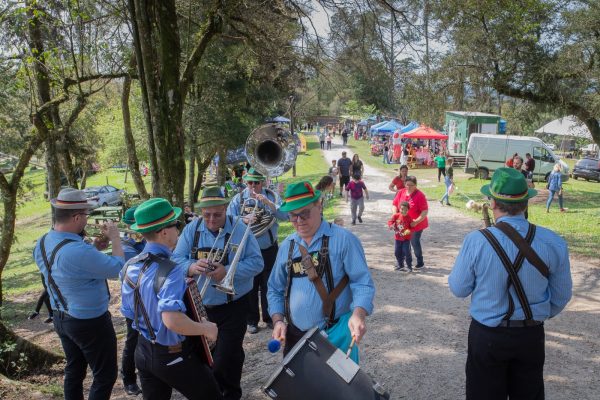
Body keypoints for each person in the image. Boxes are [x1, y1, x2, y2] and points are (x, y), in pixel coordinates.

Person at [448, 167, 572, 400]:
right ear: (526, 204)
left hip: (487, 335)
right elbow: (562, 295)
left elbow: (458, 288)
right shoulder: (553, 241)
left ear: (493, 203)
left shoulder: (476, 241)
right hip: (531, 335)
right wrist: (537, 315)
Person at [120, 198, 222, 400]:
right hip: (173, 355)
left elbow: (129, 313)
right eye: (176, 224)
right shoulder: (171, 269)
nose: (179, 229)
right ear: (164, 232)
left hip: (142, 351)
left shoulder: (129, 266)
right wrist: (205, 328)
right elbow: (171, 320)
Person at [33, 188, 125, 400]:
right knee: (105, 375)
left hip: (60, 316)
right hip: (89, 322)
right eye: (86, 215)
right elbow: (116, 268)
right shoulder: (77, 250)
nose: (87, 219)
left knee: (74, 370)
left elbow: (67, 270)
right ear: (75, 217)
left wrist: (95, 248)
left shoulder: (42, 241)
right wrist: (116, 238)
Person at [267, 181, 375, 362]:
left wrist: (358, 314)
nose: (299, 221)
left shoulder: (344, 240)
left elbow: (362, 282)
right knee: (298, 390)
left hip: (336, 334)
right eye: (293, 216)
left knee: (338, 389)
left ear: (319, 205)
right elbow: (274, 288)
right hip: (296, 336)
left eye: (305, 213)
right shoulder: (287, 246)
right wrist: (278, 321)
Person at [173, 186, 263, 400]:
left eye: (217, 214)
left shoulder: (241, 229)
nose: (211, 220)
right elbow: (176, 260)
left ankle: (230, 394)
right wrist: (193, 266)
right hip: (200, 307)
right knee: (206, 357)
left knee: (224, 358)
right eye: (207, 215)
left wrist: (228, 272)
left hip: (233, 306)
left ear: (225, 208)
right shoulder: (191, 229)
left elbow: (257, 263)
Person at [226, 168, 287, 335]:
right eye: (250, 183)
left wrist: (267, 203)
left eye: (256, 183)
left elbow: (286, 215)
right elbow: (228, 220)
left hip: (269, 247)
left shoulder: (272, 196)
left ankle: (269, 318)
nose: (253, 187)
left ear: (264, 182)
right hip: (248, 250)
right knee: (251, 285)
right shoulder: (238, 199)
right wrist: (242, 220)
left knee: (270, 283)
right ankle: (251, 320)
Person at [120, 206, 147, 396]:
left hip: (150, 300)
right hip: (135, 304)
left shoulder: (142, 242)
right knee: (133, 341)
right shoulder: (126, 248)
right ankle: (129, 379)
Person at [392, 176, 428, 270]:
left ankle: (420, 262)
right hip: (402, 224)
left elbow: (424, 211)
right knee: (403, 242)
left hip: (415, 224)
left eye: (411, 185)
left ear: (415, 185)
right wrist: (396, 215)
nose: (408, 187)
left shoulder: (420, 195)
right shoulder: (401, 192)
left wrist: (416, 221)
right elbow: (395, 205)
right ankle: (402, 263)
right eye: (407, 184)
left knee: (414, 242)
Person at [388, 201, 413, 272]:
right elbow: (390, 222)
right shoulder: (396, 216)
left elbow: (412, 227)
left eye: (406, 210)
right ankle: (400, 265)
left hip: (406, 239)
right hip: (398, 238)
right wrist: (391, 226)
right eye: (402, 209)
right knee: (397, 252)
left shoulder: (409, 218)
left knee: (406, 252)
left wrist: (408, 231)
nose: (403, 211)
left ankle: (409, 266)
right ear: (399, 209)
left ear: (408, 210)